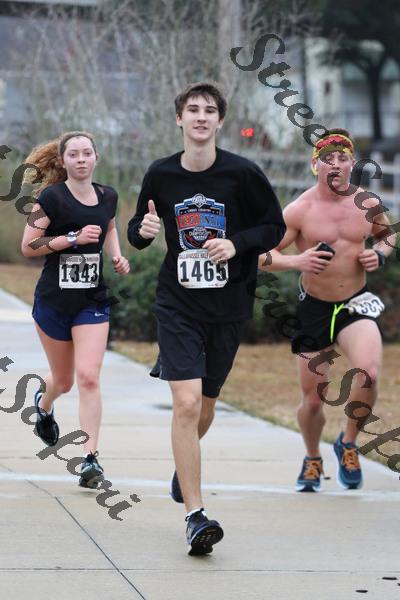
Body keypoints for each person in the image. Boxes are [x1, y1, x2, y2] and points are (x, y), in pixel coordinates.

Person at [127, 81, 285, 555]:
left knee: (207, 404)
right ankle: (196, 516)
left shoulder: (243, 174)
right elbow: (138, 231)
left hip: (229, 305)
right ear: (179, 118)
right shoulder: (161, 173)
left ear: (220, 121)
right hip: (177, 303)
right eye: (192, 109)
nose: (200, 116)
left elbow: (274, 227)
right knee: (187, 403)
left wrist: (237, 243)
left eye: (209, 110)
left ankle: (185, 462)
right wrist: (143, 229)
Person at [259, 128, 395, 492]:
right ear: (315, 165)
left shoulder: (367, 203)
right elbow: (263, 256)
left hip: (355, 303)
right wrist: (297, 261)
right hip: (314, 309)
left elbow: (388, 234)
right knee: (313, 401)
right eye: (328, 159)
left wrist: (379, 254)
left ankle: (348, 443)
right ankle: (312, 457)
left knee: (368, 373)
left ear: (352, 164)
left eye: (342, 158)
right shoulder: (299, 210)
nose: (335, 165)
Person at [21, 131, 130, 489]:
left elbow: (109, 227)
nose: (81, 159)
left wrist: (116, 255)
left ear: (96, 158)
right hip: (54, 302)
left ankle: (90, 459)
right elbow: (29, 246)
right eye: (74, 154)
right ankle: (44, 405)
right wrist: (71, 239)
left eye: (87, 153)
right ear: (63, 161)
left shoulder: (108, 195)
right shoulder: (51, 198)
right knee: (64, 380)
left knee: (88, 377)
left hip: (91, 302)